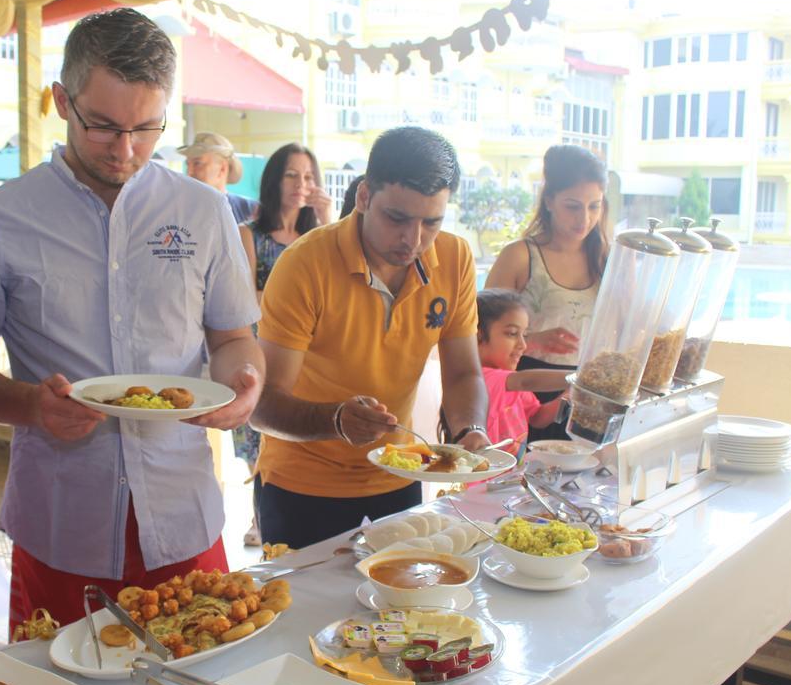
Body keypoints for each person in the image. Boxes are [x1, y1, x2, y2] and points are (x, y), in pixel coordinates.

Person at [0, 8, 265, 630]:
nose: (125, 150)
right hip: (61, 521)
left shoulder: (202, 211)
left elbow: (232, 338)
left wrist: (244, 385)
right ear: (62, 101)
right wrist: (34, 407)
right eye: (104, 126)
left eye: (147, 129)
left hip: (181, 515)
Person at [249, 126, 491, 548]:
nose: (413, 240)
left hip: (401, 476)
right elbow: (263, 404)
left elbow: (464, 374)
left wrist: (469, 428)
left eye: (431, 222)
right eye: (397, 218)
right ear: (363, 197)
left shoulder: (455, 258)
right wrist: (336, 421)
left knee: (403, 612)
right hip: (301, 485)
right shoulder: (304, 264)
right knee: (306, 614)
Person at [232, 143, 330, 546]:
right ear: (275, 179)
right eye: (292, 175)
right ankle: (261, 517)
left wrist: (327, 218)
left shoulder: (320, 237)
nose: (301, 185)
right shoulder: (249, 234)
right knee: (261, 436)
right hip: (262, 349)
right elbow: (244, 298)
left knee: (302, 433)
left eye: (308, 176)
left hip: (313, 356)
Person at [483, 144, 609, 440]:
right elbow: (480, 331)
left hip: (584, 387)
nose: (584, 219)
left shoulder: (607, 260)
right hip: (524, 382)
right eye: (573, 206)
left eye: (595, 206)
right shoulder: (520, 256)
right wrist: (533, 339)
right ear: (549, 200)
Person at [475, 288, 571, 455]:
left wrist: (574, 392)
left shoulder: (509, 382)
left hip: (510, 476)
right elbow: (525, 381)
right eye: (512, 334)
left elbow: (538, 418)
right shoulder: (482, 377)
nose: (523, 345)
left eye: (524, 335)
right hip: (483, 479)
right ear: (478, 335)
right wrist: (582, 377)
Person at [178, 132, 258, 223]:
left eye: (197, 163)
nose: (189, 172)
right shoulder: (180, 210)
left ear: (222, 169)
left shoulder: (250, 211)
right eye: (187, 164)